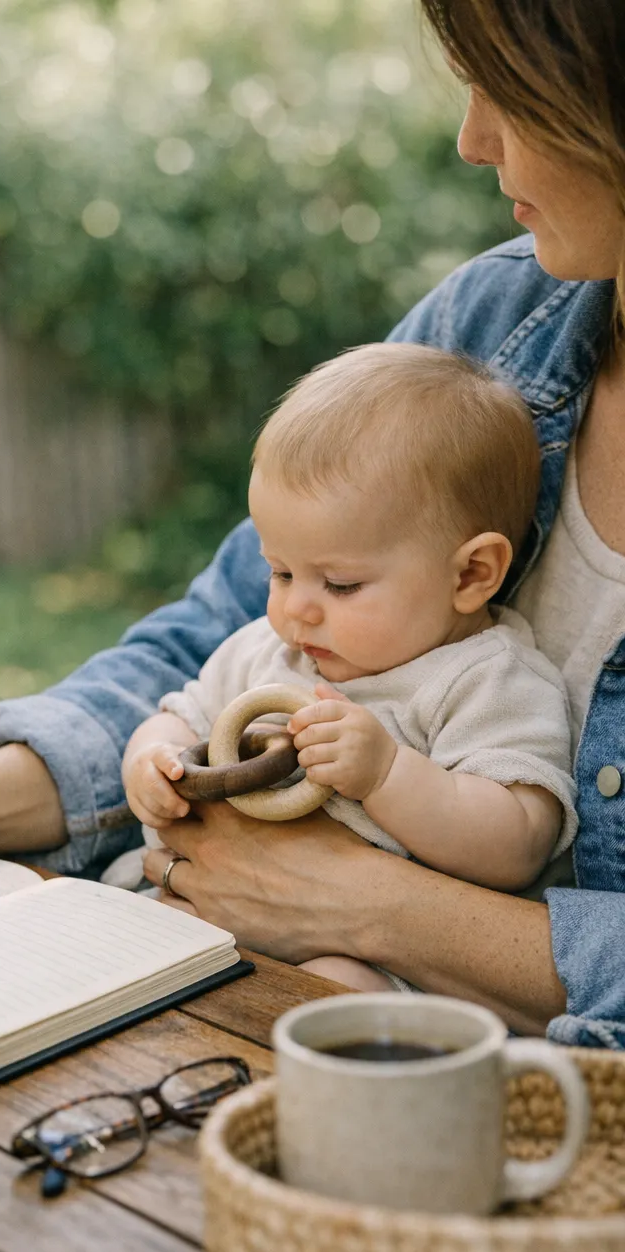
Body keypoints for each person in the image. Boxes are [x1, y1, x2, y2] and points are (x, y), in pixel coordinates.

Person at [0, 0, 625, 1252]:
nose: (471, 139)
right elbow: (217, 635)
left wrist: (363, 908)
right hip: (211, 1121)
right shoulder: (494, 330)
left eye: (509, 92)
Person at [118, 343, 576, 991]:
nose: (297, 610)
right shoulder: (267, 651)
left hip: (377, 964)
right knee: (129, 934)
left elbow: (520, 841)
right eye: (279, 571)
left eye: (339, 584)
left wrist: (388, 773)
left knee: (336, 987)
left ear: (471, 573)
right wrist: (152, 762)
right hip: (210, 909)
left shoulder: (486, 680)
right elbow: (178, 717)